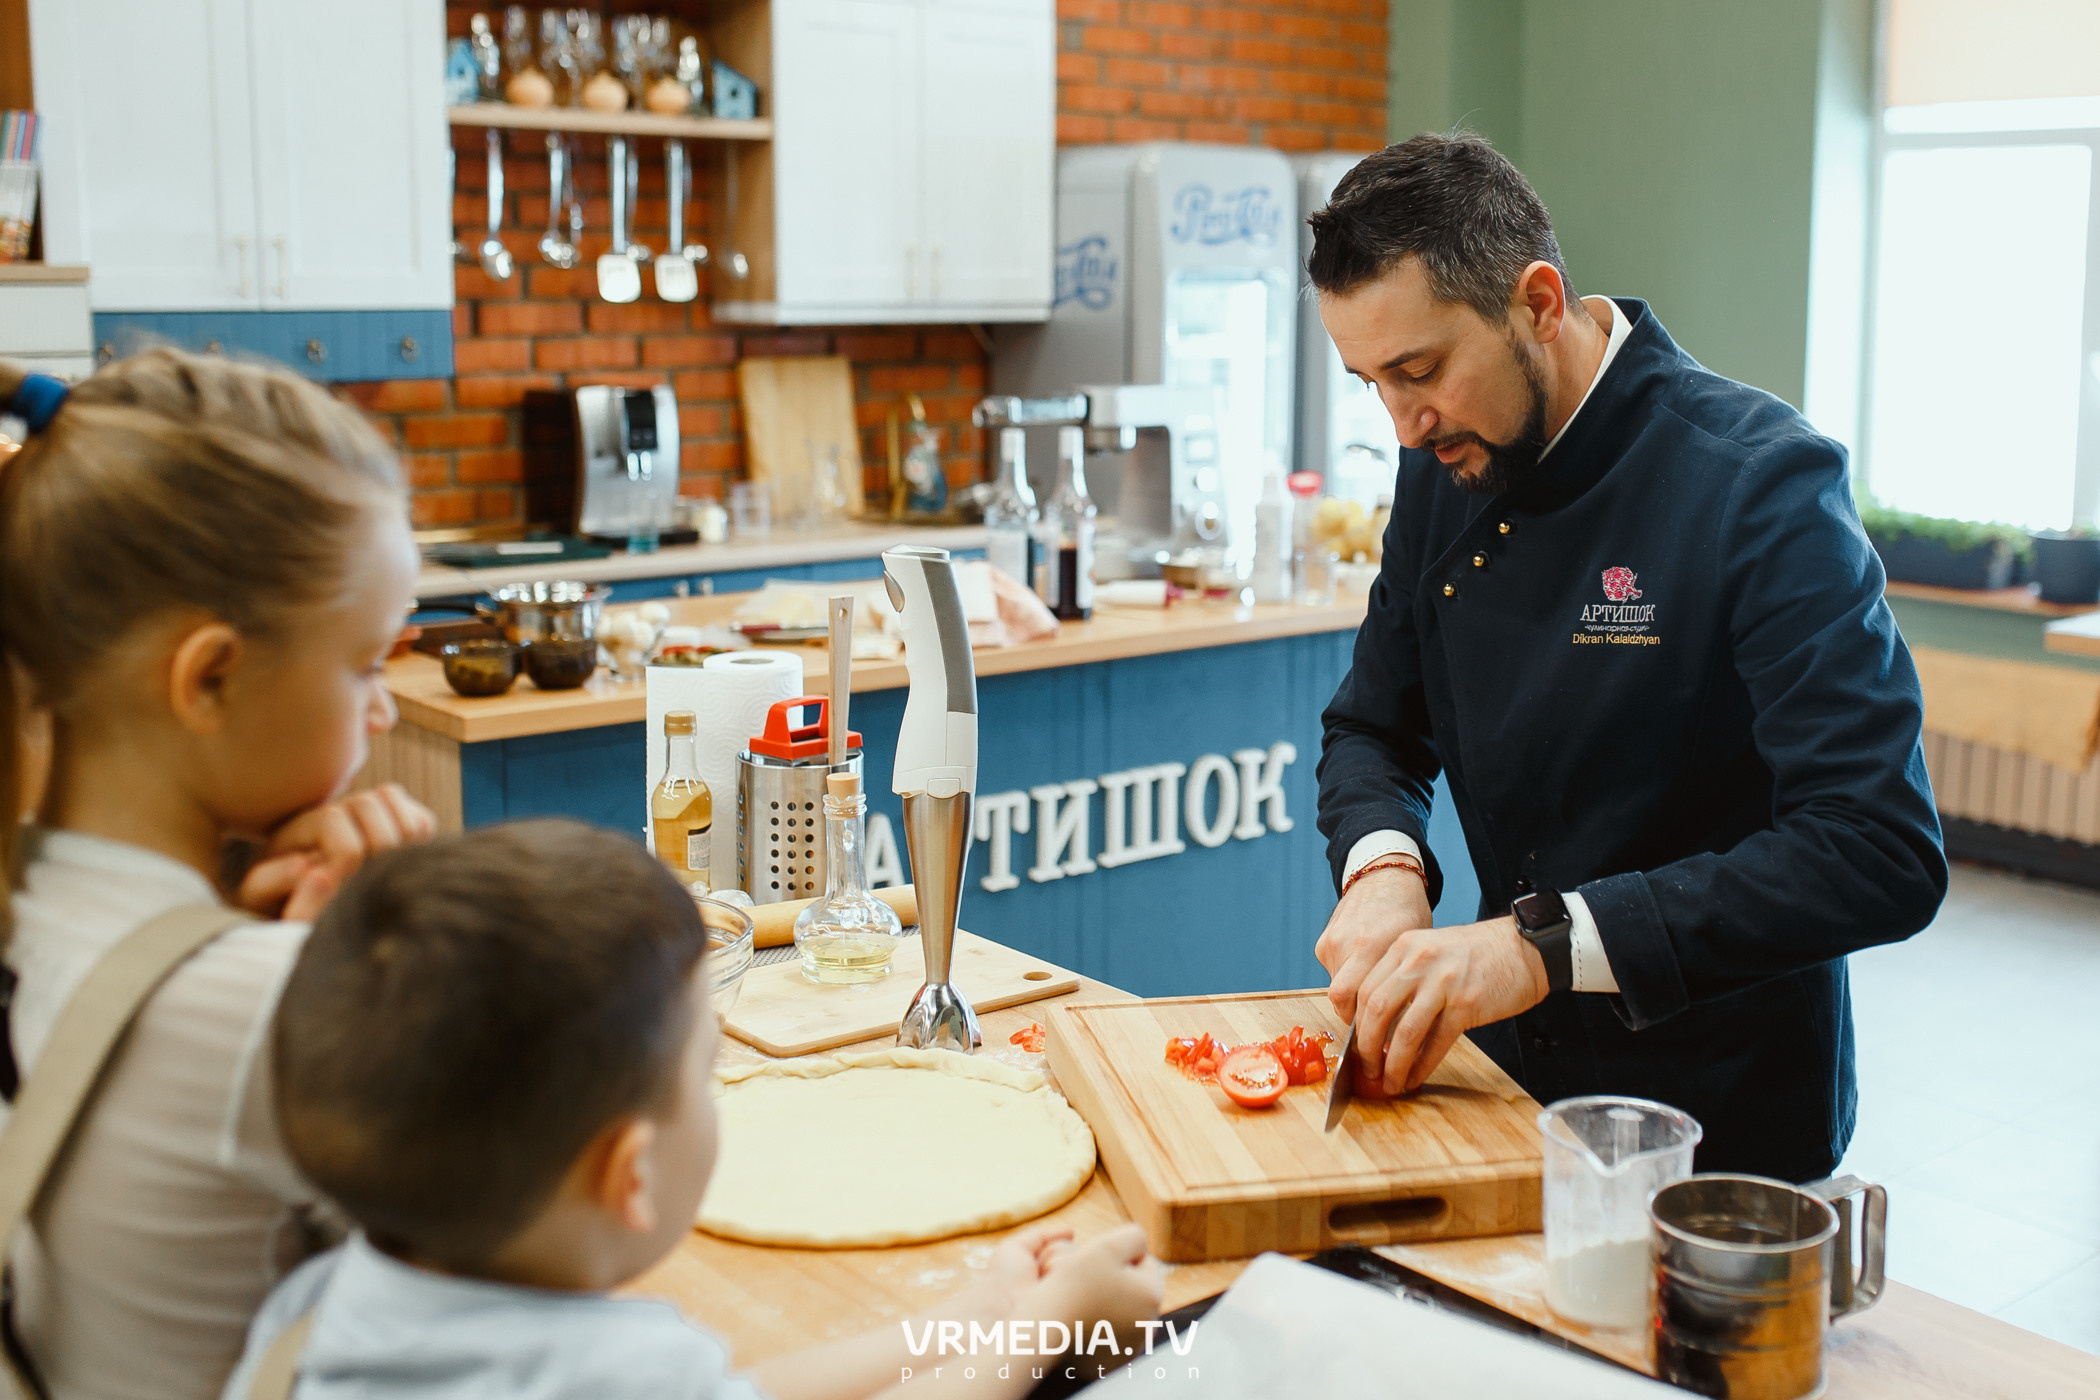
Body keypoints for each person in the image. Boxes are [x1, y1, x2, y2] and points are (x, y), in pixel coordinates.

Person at [1307, 135, 1946, 1181]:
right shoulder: (1444, 467)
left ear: (1540, 301)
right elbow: (1376, 723)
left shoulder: (1761, 483)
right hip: (1505, 1087)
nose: (1404, 424)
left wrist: (1536, 947)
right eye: (1371, 382)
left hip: (1721, 1119)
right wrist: (1380, 866)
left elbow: (1877, 850)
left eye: (1419, 371)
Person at [223, 821, 1163, 1399]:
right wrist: (1053, 1321)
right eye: (705, 1071)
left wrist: (974, 1316)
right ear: (630, 1177)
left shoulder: (321, 1309)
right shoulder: (620, 1367)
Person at [0, 353, 437, 1398]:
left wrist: (237, 918)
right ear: (210, 678)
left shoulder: (39, 914)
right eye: (368, 664)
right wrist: (414, 947)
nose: (383, 710)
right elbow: (583, 1213)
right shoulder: (259, 1003)